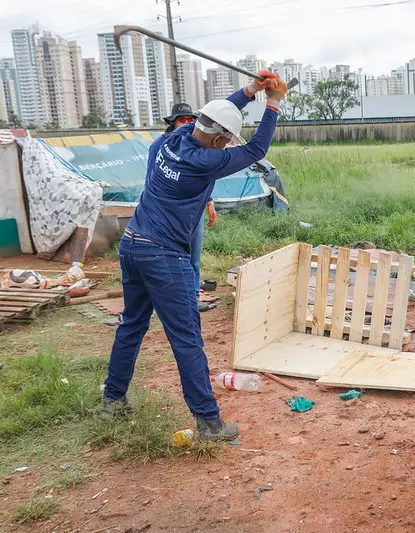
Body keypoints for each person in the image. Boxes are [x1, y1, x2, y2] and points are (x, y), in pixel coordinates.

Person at [102, 72, 288, 441]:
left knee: (132, 325)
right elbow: (256, 151)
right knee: (186, 339)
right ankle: (208, 423)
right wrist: (273, 104)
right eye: (224, 141)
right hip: (164, 256)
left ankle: (112, 399)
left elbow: (215, 117)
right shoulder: (205, 161)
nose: (224, 147)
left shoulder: (169, 141)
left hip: (132, 245)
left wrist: (250, 91)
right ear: (219, 139)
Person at [163, 103, 216, 312]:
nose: (186, 123)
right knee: (172, 258)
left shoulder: (197, 147)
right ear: (173, 123)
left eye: (189, 120)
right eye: (181, 120)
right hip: (171, 214)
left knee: (194, 258)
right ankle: (169, 300)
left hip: (195, 213)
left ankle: (192, 299)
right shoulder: (165, 146)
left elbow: (203, 176)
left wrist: (209, 202)